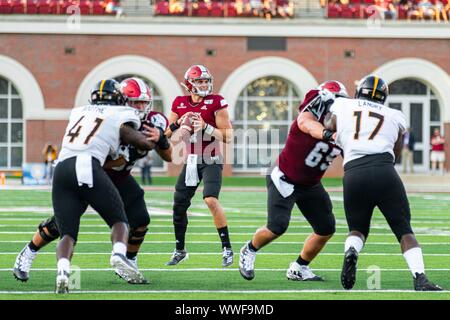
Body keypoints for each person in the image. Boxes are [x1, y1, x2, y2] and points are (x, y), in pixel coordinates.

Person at [13, 77, 172, 285]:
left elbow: (169, 156)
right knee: (63, 222)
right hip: (95, 173)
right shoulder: (116, 117)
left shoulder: (153, 121)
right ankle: (29, 251)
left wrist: (160, 138)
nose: (139, 107)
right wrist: (135, 149)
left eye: (143, 102)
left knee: (141, 218)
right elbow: (105, 157)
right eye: (134, 102)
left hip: (121, 177)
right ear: (122, 101)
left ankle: (129, 262)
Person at [326, 75, 442, 291]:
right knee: (404, 230)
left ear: (360, 91)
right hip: (383, 170)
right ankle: (420, 278)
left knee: (357, 229)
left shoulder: (343, 105)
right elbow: (397, 150)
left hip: (353, 173)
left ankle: (352, 251)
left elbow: (329, 125)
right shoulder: (395, 115)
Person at [239, 81, 348, 281]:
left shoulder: (345, 128)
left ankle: (299, 268)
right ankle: (249, 249)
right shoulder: (308, 119)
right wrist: (330, 135)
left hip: (311, 184)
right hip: (284, 178)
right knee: (277, 227)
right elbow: (308, 124)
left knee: (325, 229)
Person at [164, 65, 234, 267]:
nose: (204, 84)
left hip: (211, 158)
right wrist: (180, 124)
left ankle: (227, 248)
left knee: (211, 199)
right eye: (199, 81)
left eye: (206, 81)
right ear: (189, 84)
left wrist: (206, 127)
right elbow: (166, 134)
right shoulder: (180, 103)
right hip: (191, 161)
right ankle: (179, 250)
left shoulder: (217, 102)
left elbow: (228, 136)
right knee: (179, 206)